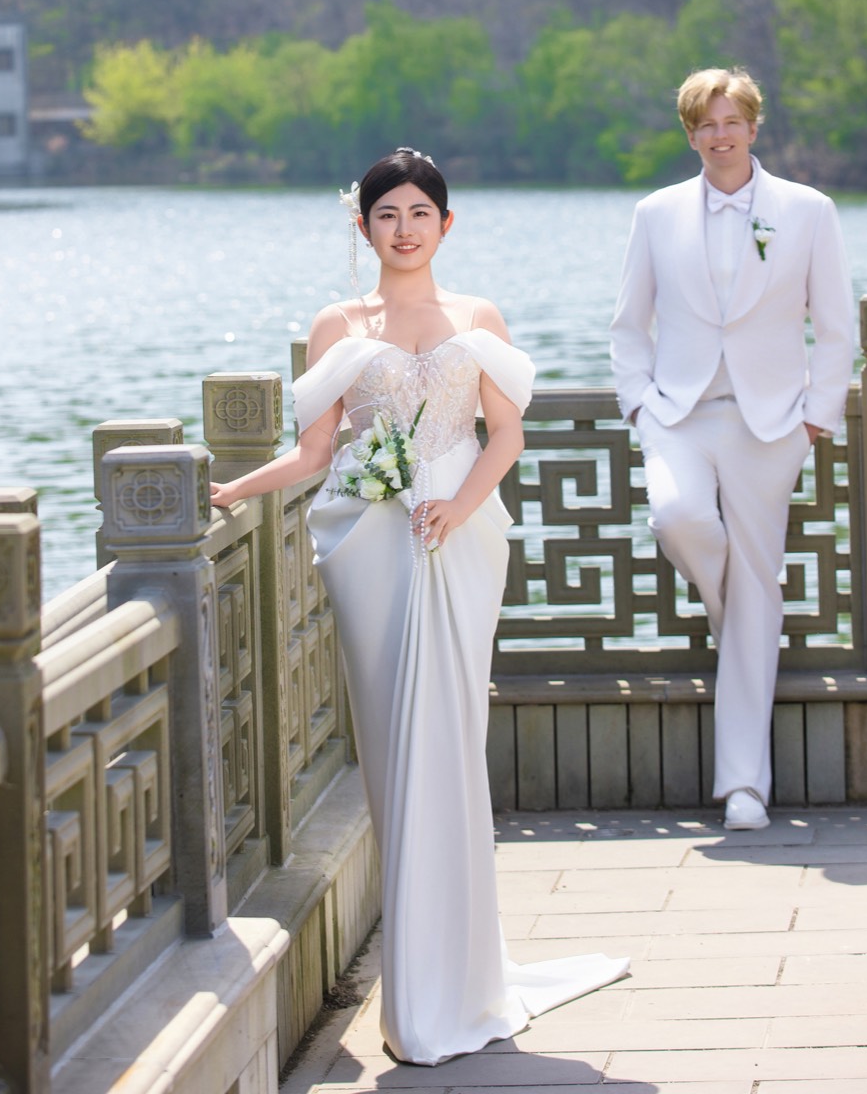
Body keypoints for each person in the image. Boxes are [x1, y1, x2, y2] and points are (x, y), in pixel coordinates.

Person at [211, 146, 628, 1064]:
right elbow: (318, 452)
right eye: (386, 214)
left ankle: (457, 987)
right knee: (396, 754)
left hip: (461, 537)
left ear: (446, 223)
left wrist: (457, 505)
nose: (403, 229)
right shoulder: (337, 325)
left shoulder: (476, 317)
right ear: (362, 226)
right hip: (372, 548)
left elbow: (505, 432)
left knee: (449, 743)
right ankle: (423, 985)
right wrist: (233, 491)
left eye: (419, 213)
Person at [610, 69, 854, 831]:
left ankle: (743, 785)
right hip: (678, 413)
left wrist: (816, 415)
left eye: (731, 121)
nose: (719, 135)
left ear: (753, 127)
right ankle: (741, 611)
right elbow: (628, 324)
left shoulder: (807, 211)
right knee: (679, 519)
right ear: (690, 135)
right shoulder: (656, 213)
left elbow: (838, 324)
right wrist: (640, 406)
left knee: (756, 582)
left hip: (771, 422)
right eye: (704, 124)